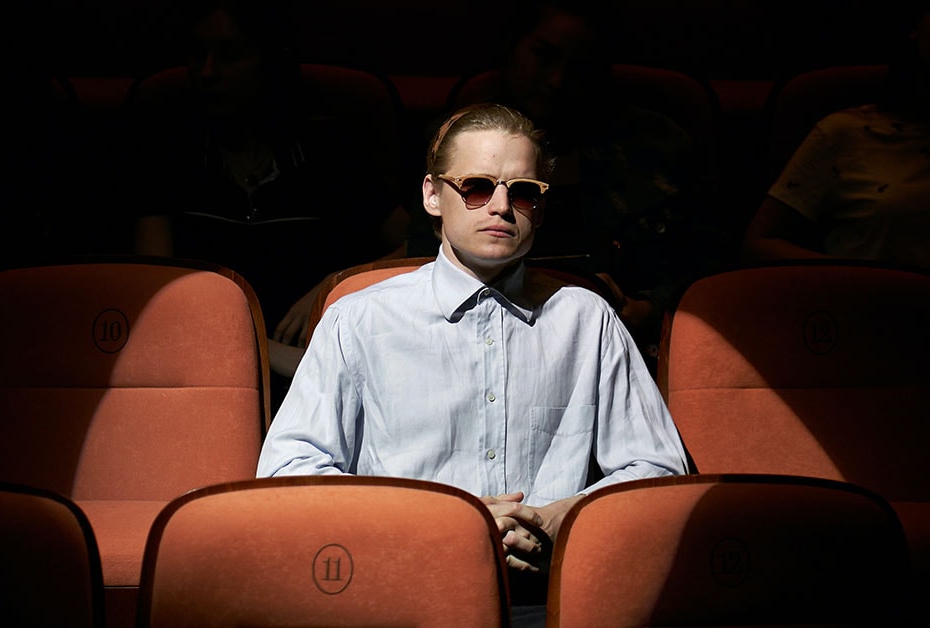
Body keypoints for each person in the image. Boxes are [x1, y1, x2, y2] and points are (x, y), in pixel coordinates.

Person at [257, 103, 689, 621]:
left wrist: (565, 518)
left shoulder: (587, 319)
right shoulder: (359, 320)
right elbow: (289, 473)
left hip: (552, 597)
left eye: (523, 191)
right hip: (398, 595)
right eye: (478, 187)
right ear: (432, 195)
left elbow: (657, 468)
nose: (501, 207)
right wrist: (447, 523)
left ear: (541, 209)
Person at [405, 0, 732, 375]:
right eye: (543, 56)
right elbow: (423, 258)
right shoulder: (456, 143)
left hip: (637, 348)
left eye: (581, 67)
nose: (557, 80)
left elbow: (712, 261)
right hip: (468, 342)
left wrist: (652, 308)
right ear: (513, 48)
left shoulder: (657, 146)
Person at [128, 0, 408, 386]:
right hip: (203, 370)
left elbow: (417, 247)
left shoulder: (327, 152)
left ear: (270, 62)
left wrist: (337, 285)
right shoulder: (170, 154)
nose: (208, 71)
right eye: (197, 54)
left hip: (321, 368)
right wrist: (264, 351)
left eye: (229, 55)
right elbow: (156, 288)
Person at [741, 0, 930, 342]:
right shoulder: (844, 133)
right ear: (916, 24)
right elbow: (759, 242)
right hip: (861, 328)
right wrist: (868, 281)